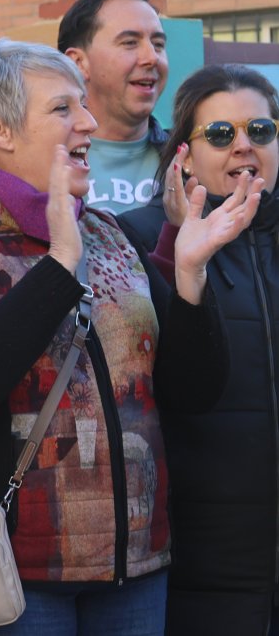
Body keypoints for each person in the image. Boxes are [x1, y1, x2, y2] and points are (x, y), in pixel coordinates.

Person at [0, 37, 258, 635]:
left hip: (134, 565)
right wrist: (62, 262)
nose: (88, 122)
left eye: (82, 104)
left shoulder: (110, 233)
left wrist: (190, 276)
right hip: (8, 570)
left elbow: (191, 391)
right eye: (63, 108)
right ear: (0, 131)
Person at [118, 64, 279, 635]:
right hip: (199, 562)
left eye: (260, 130)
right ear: (183, 156)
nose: (244, 145)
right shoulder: (138, 238)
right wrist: (187, 267)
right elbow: (168, 387)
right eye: (221, 133)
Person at [58, 0, 169, 213]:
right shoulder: (39, 163)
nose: (152, 58)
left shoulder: (190, 160)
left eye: (158, 44)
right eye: (130, 43)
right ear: (78, 63)